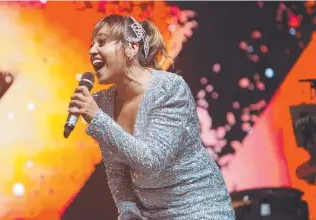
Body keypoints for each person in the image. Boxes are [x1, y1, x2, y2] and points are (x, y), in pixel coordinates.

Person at [68, 14, 235, 220]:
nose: (92, 50)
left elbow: (152, 161)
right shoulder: (103, 102)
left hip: (198, 209)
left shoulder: (170, 88)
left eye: (101, 42)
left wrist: (97, 118)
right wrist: (128, 211)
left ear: (132, 48)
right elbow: (117, 171)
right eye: (91, 44)